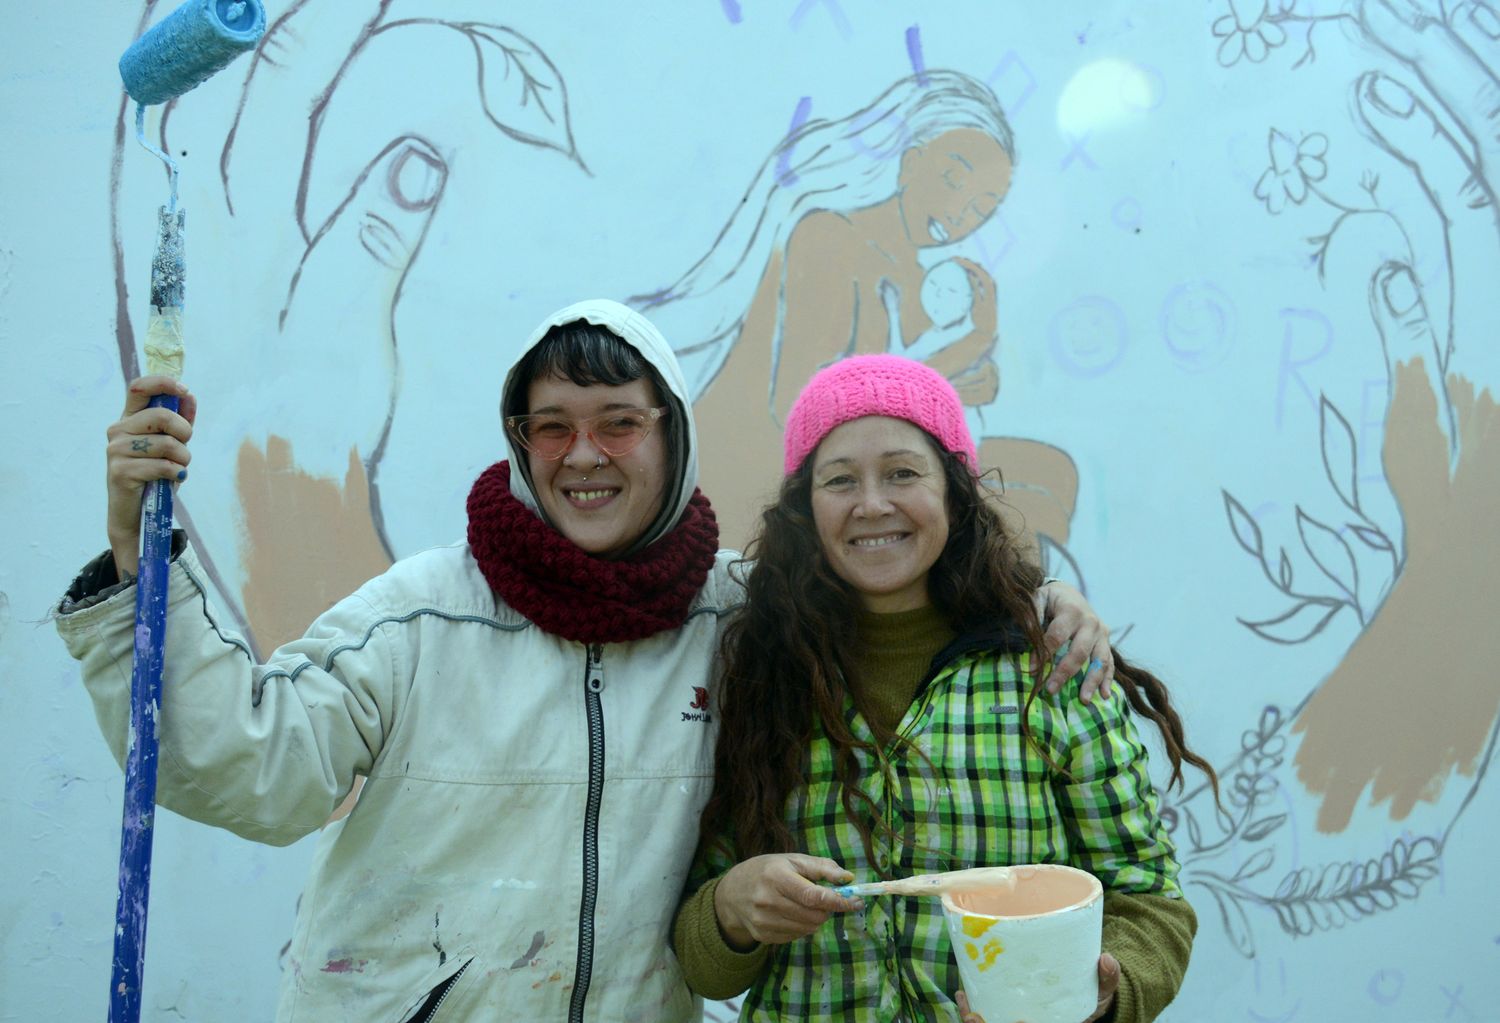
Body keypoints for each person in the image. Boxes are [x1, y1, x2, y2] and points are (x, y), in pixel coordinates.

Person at [55, 302, 1112, 1021]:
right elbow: (246, 769)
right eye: (551, 427)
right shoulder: (429, 613)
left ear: (673, 436)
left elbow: (901, 598)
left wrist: (1038, 607)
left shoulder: (742, 614)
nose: (585, 455)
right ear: (520, 442)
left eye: (618, 422)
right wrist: (135, 561)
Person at [672, 354, 1219, 1022]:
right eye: (840, 479)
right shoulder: (762, 677)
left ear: (954, 492)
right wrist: (731, 907)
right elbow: (701, 959)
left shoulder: (1052, 664)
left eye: (903, 472)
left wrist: (1106, 990)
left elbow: (1147, 895)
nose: (873, 504)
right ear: (805, 508)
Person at [632, 71, 1078, 555]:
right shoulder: (829, 237)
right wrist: (957, 364)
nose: (959, 213)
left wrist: (974, 362)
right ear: (909, 165)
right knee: (1025, 491)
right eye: (952, 180)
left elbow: (911, 388)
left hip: (870, 476)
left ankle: (1033, 613)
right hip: (783, 491)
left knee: (1053, 473)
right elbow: (799, 402)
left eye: (982, 207)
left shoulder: (913, 271)